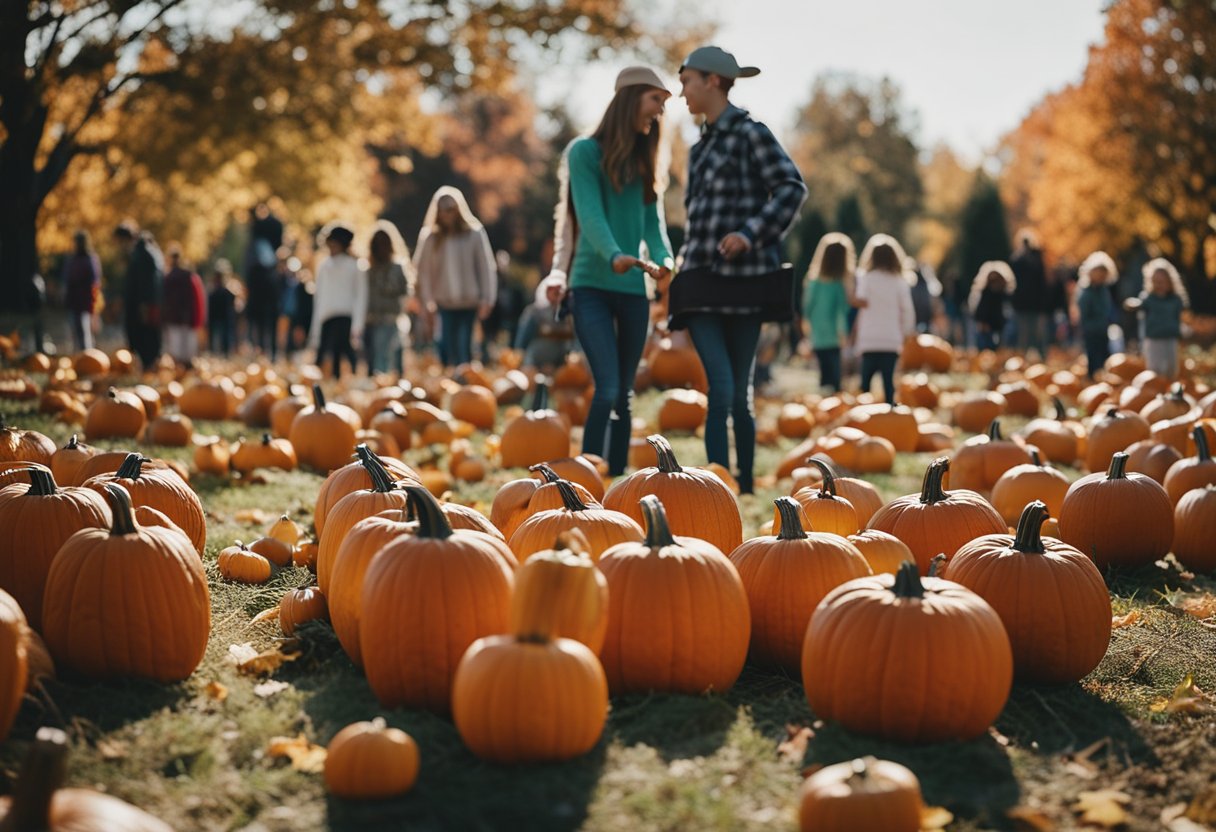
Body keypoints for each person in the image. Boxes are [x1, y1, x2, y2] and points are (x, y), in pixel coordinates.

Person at [676, 46, 807, 493]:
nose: (682, 92)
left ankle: (746, 484)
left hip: (748, 281)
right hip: (700, 281)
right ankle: (719, 486)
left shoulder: (752, 134)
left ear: (713, 81)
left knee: (739, 393)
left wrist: (751, 234)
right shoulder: (697, 150)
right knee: (721, 389)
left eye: (687, 81)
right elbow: (696, 218)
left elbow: (791, 187)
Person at [548, 66, 674, 476]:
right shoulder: (585, 153)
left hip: (634, 292)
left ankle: (616, 479)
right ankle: (587, 476)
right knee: (606, 387)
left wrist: (666, 261)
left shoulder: (644, 161)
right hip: (591, 287)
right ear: (632, 97)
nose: (660, 110)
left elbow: (654, 225)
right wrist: (614, 253)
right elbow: (591, 214)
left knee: (624, 393)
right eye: (656, 99)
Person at [413, 187, 496, 368]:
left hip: (469, 301)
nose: (447, 215)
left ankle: (464, 381)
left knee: (464, 344)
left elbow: (486, 267)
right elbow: (423, 272)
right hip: (444, 302)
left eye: (450, 209)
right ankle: (449, 380)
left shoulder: (474, 234)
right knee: (446, 344)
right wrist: (427, 301)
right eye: (443, 210)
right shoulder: (431, 238)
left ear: (458, 209)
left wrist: (487, 298)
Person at [852, 234, 915, 404]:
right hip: (890, 339)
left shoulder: (866, 278)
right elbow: (907, 310)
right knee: (888, 381)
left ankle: (861, 414)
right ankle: (890, 410)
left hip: (869, 339)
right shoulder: (899, 282)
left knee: (865, 382)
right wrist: (907, 332)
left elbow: (861, 300)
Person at [310, 223, 366, 379]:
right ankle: (322, 382)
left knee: (343, 350)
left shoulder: (354, 266)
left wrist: (358, 324)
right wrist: (315, 326)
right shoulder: (325, 266)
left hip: (345, 314)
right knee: (324, 352)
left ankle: (349, 379)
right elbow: (320, 296)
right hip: (327, 315)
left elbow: (360, 296)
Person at [803, 232, 854, 392]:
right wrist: (842, 333)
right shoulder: (839, 285)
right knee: (835, 376)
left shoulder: (814, 281)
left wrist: (807, 327)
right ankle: (832, 403)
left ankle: (824, 402)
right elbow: (840, 311)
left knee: (824, 373)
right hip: (834, 336)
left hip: (818, 334)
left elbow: (807, 307)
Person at [1123, 257, 1188, 379]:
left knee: (1171, 369)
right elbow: (1138, 303)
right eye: (1155, 281)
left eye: (1162, 282)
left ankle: (1168, 392)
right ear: (1150, 282)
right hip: (1153, 339)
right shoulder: (1148, 298)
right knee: (1155, 370)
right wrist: (1131, 304)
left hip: (1170, 338)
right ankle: (1156, 393)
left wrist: (1182, 332)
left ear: (1170, 282)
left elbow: (1179, 318)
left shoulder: (1175, 300)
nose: (1159, 285)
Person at [363, 220, 413, 375]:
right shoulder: (367, 269)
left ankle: (387, 382)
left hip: (391, 318)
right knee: (375, 355)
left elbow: (405, 292)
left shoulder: (397, 267)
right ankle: (383, 382)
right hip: (371, 319)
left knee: (386, 354)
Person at [112, 220, 164, 371]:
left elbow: (147, 283)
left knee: (144, 336)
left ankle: (148, 367)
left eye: (121, 241)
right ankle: (143, 367)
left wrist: (145, 304)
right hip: (139, 303)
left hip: (142, 305)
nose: (120, 245)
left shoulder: (143, 254)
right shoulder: (140, 253)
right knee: (140, 335)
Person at [515, 275, 579, 372]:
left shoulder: (572, 317)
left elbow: (577, 344)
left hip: (562, 366)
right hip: (534, 364)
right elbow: (521, 346)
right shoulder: (534, 313)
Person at [1074, 250, 1118, 379]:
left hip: (1103, 328)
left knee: (1105, 354)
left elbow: (1107, 308)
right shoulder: (1086, 291)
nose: (1100, 277)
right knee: (1093, 355)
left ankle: (1103, 378)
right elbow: (1084, 311)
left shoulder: (1104, 290)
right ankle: (1092, 378)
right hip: (1090, 329)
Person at [161, 245, 206, 367]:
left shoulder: (167, 278)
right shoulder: (189, 276)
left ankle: (178, 367)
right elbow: (198, 299)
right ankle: (187, 366)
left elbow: (163, 298)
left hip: (173, 316)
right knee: (187, 346)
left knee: (175, 345)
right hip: (188, 316)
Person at [1010, 230, 1050, 357]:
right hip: (1023, 305)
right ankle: (1023, 360)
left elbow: (1042, 283)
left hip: (1034, 304)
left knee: (1037, 334)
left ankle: (1040, 359)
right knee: (1024, 334)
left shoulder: (1036, 260)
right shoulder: (1017, 260)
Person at [61, 230, 102, 352]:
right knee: (74, 330)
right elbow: (66, 280)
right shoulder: (72, 259)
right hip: (73, 300)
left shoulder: (89, 259)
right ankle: (78, 356)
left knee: (85, 330)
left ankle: (87, 355)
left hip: (85, 301)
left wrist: (94, 304)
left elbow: (94, 283)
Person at [969, 261, 1016, 352]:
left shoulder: (1005, 295)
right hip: (987, 329)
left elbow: (1007, 312)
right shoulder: (985, 293)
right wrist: (982, 322)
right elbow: (980, 310)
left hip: (1001, 328)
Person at [207, 260, 238, 356]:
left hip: (225, 317)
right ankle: (215, 352)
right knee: (215, 336)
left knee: (225, 336)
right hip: (216, 316)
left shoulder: (229, 289)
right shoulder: (213, 289)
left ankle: (225, 353)